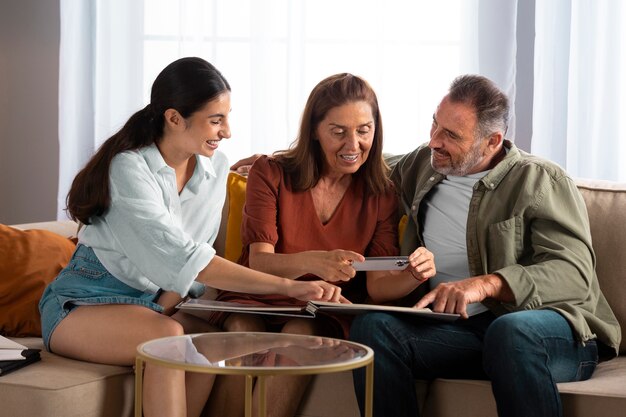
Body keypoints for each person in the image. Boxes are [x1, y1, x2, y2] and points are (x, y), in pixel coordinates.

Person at [38, 57, 345, 417]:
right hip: (82, 303)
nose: (227, 131)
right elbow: (188, 260)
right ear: (173, 118)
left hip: (148, 303)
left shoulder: (214, 169)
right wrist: (290, 286)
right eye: (216, 120)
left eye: (227, 118)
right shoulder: (129, 168)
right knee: (168, 339)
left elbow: (185, 268)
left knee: (214, 344)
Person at [349, 74, 622, 417]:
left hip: (551, 332)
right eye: (435, 125)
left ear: (492, 141)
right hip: (464, 333)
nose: (434, 141)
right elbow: (361, 161)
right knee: (372, 328)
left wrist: (485, 285)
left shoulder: (540, 180)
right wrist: (280, 165)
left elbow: (573, 273)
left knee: (510, 332)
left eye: (450, 135)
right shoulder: (423, 164)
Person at [202, 73, 436, 417]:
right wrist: (318, 262)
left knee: (302, 334)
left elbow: (380, 287)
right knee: (241, 330)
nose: (352, 144)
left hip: (318, 310)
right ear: (314, 130)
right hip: (257, 296)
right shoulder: (271, 172)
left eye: (364, 130)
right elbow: (259, 262)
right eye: (338, 131)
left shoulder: (381, 193)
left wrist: (415, 274)